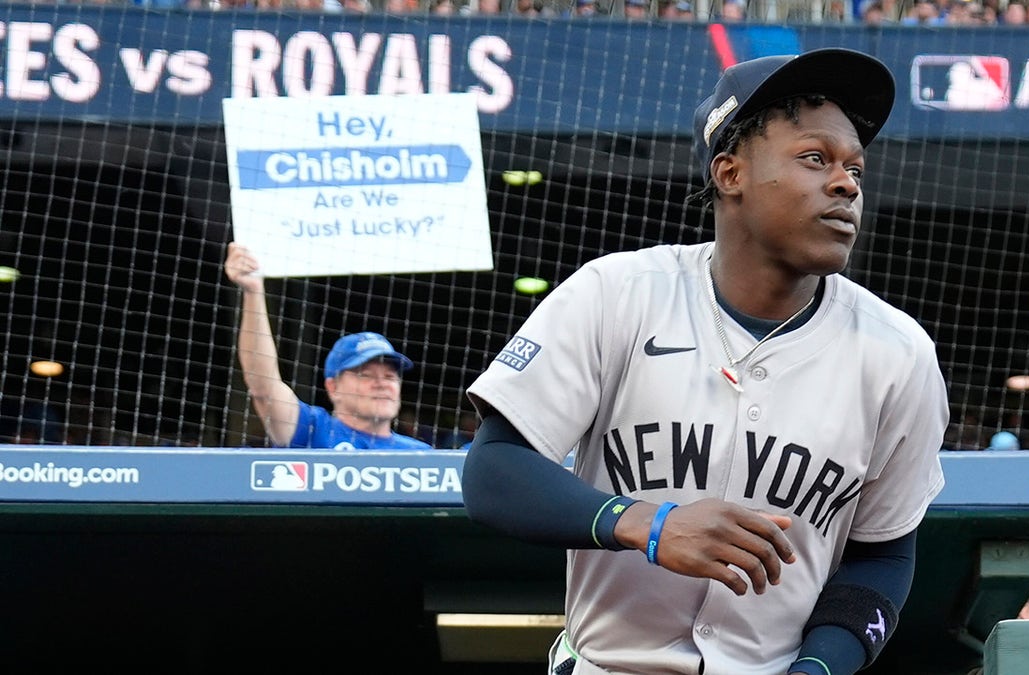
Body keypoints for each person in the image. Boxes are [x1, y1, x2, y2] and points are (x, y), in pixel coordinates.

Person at [462, 49, 949, 675]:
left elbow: (883, 557)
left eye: (855, 167)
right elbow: (494, 470)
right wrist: (647, 523)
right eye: (814, 158)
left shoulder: (900, 353)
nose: (846, 184)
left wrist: (821, 668)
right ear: (730, 173)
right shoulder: (616, 293)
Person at [224, 243, 432, 451]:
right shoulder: (312, 430)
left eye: (390, 377)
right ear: (333, 387)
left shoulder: (422, 455)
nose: (382, 384)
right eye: (365, 375)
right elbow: (263, 385)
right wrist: (253, 291)